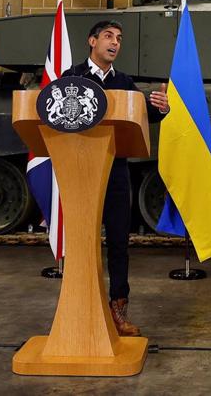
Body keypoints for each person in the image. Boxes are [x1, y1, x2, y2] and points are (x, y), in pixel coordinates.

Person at [62, 20, 169, 337]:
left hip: (116, 171)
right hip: (81, 172)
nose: (115, 43)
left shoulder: (124, 81)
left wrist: (159, 109)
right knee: (83, 242)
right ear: (91, 41)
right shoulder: (72, 78)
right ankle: (81, 307)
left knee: (119, 242)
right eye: (108, 36)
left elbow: (139, 114)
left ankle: (118, 309)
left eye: (119, 39)